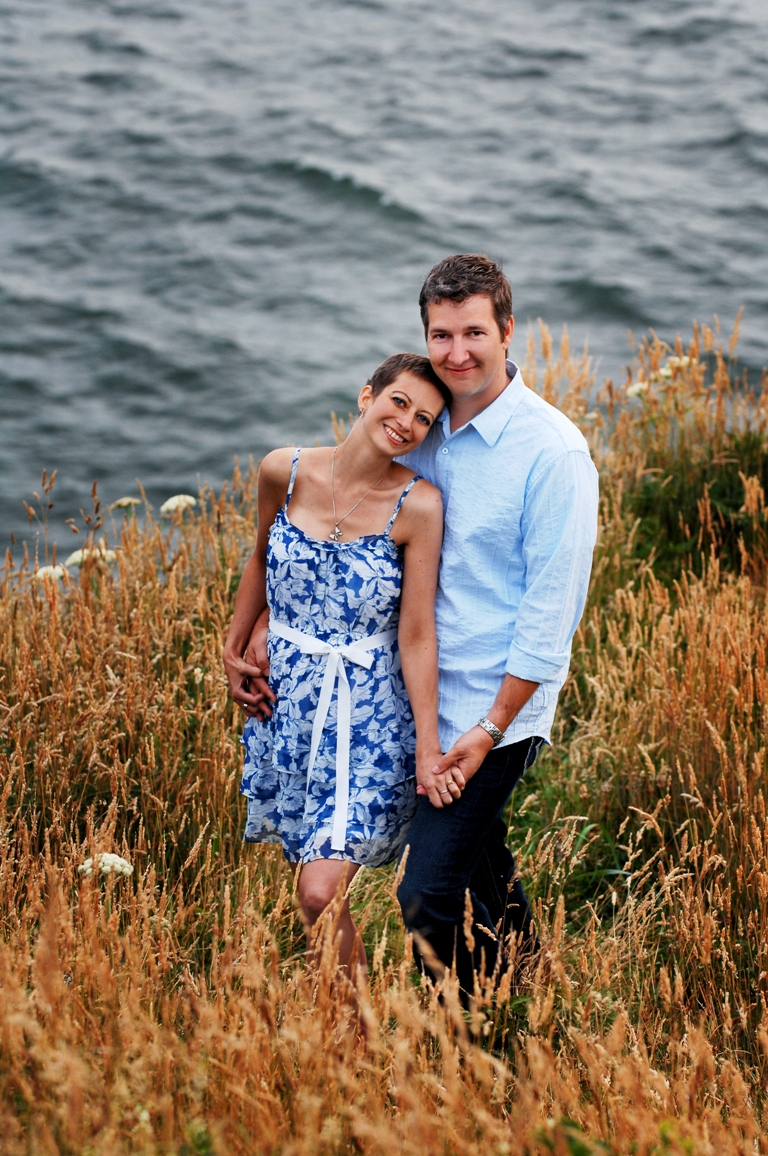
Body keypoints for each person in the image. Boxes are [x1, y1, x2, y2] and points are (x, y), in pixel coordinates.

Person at [393, 254, 599, 999]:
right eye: (441, 335)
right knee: (481, 857)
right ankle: (527, 979)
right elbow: (341, 507)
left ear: (508, 331)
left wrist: (487, 728)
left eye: (474, 332)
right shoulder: (420, 426)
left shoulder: (553, 453)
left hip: (496, 707)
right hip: (419, 694)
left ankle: (458, 1034)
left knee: (426, 892)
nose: (457, 353)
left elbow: (550, 620)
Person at [222, 353, 450, 983]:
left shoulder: (419, 504)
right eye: (399, 402)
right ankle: (349, 1045)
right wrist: (236, 644)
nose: (406, 422)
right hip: (288, 705)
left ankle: (354, 1040)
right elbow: (260, 558)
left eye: (424, 419)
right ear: (366, 395)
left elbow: (417, 633)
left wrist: (428, 747)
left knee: (319, 890)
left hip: (370, 717)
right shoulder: (284, 470)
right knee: (311, 887)